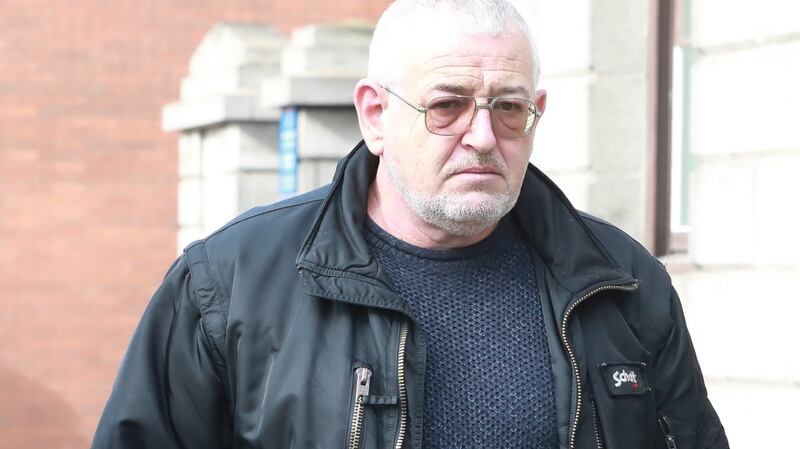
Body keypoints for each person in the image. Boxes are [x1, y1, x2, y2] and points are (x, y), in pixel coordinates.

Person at [91, 1, 728, 448]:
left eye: (508, 108)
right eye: (447, 106)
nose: (483, 137)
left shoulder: (621, 284)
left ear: (536, 112)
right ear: (374, 114)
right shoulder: (229, 285)